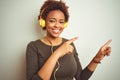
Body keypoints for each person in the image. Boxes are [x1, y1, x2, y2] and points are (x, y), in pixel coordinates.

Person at [26, 0, 112, 80]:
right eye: (52, 21)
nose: (57, 25)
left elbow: (81, 77)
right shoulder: (33, 47)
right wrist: (58, 53)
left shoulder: (69, 44)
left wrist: (97, 58)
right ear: (43, 22)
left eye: (61, 22)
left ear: (65, 24)